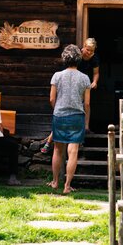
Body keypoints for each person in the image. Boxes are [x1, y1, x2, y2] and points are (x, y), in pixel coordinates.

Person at [41, 38, 99, 154]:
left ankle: (86, 127)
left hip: (83, 83)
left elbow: (96, 73)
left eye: (91, 51)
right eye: (87, 50)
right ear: (83, 47)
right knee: (73, 114)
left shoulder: (94, 58)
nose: (89, 53)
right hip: (72, 83)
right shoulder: (76, 55)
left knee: (85, 105)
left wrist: (95, 82)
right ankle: (49, 141)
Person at [48, 44, 91, 194]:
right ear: (79, 59)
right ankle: (67, 186)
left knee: (58, 150)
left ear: (64, 58)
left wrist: (57, 109)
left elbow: (52, 98)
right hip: (76, 117)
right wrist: (86, 121)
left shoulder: (57, 76)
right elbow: (86, 103)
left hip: (59, 115)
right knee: (73, 151)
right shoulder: (85, 78)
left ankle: (54, 182)